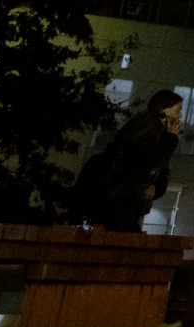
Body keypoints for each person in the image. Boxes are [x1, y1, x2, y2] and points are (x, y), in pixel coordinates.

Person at [75, 89, 183, 233]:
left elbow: (162, 171)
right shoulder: (143, 132)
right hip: (116, 201)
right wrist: (170, 140)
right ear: (164, 111)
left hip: (128, 203)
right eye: (178, 110)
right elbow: (148, 164)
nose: (180, 116)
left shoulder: (160, 138)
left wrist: (156, 189)